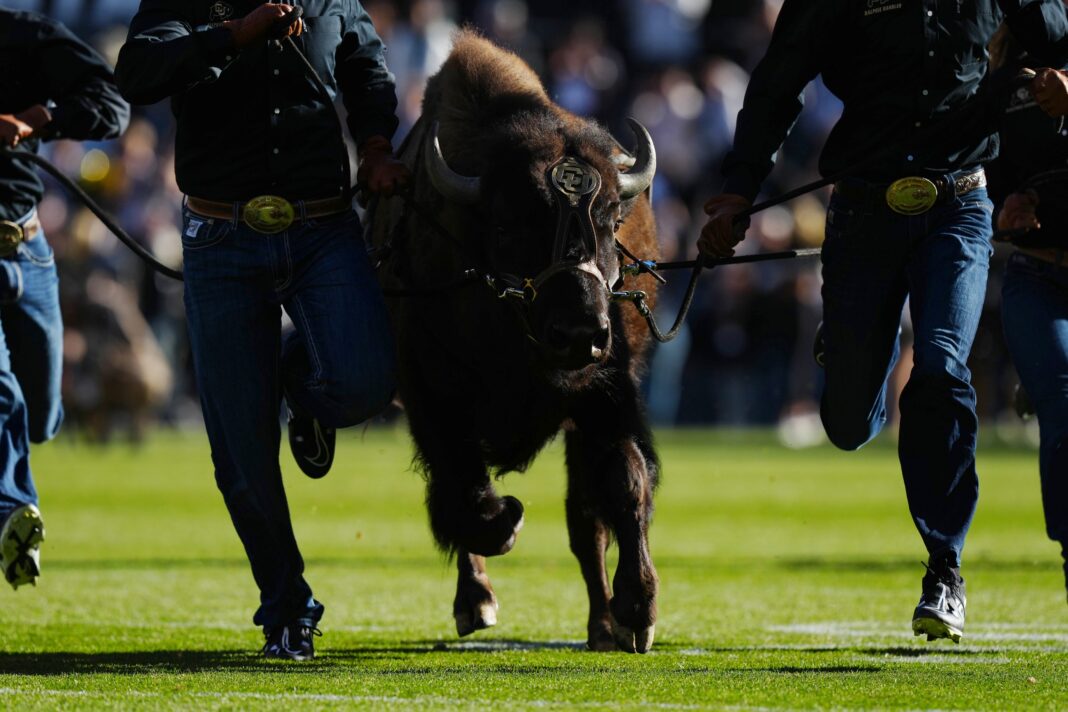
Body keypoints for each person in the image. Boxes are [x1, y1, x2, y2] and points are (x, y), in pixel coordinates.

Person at [700, 0, 1068, 643]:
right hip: (864, 211)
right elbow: (778, 81)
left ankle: (944, 569)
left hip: (960, 202)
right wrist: (741, 188)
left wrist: (1056, 71)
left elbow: (1056, 26)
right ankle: (846, 349)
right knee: (846, 424)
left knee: (942, 364)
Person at [115, 2, 409, 660]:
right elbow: (135, 72)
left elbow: (367, 66)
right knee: (241, 456)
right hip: (221, 234)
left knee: (366, 383)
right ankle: (286, 605)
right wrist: (232, 36)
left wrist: (376, 145)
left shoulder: (332, 1)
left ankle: (300, 392)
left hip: (323, 226)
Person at [0, 9, 129, 591]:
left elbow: (112, 103)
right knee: (2, 394)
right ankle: (12, 512)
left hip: (27, 247)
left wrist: (38, 120)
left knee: (41, 414)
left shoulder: (25, 35)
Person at [988, 20, 1068, 604]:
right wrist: (1004, 203)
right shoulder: (1005, 62)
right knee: (1065, 411)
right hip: (1037, 271)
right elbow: (984, 167)